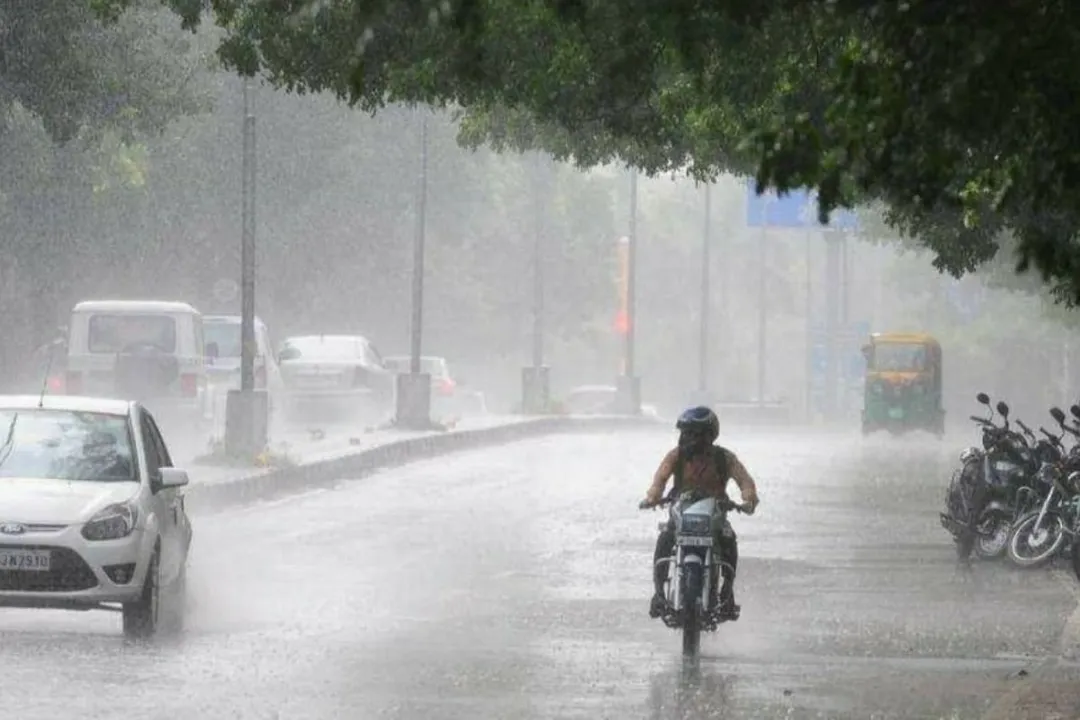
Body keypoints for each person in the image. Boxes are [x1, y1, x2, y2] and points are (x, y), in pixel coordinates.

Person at [639, 406, 759, 621]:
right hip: (680, 512)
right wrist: (653, 497)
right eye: (686, 433)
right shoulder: (676, 456)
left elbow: (744, 480)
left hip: (715, 515)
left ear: (709, 435)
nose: (688, 439)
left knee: (729, 541)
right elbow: (660, 478)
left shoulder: (725, 458)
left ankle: (727, 592)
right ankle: (658, 593)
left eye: (694, 434)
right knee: (665, 539)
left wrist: (749, 499)